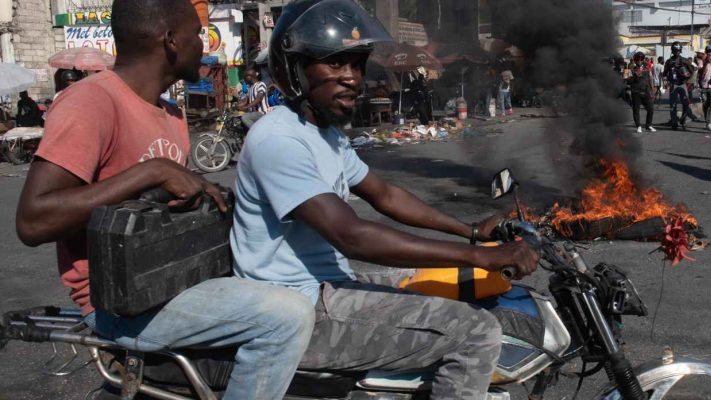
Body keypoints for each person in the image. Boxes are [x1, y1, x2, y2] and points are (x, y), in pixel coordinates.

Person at [14, 1, 315, 399]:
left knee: (301, 283)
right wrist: (150, 171)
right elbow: (33, 221)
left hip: (173, 281)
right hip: (118, 304)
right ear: (171, 41)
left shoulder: (171, 113)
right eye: (196, 36)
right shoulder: (92, 101)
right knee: (286, 317)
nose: (204, 48)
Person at [242, 1, 540, 399]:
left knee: (457, 286)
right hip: (299, 311)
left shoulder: (325, 135)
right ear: (294, 69)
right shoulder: (279, 140)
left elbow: (386, 195)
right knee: (477, 332)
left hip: (330, 286)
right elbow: (352, 235)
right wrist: (481, 255)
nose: (352, 78)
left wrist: (470, 232)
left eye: (357, 64)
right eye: (335, 64)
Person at [663, 41, 697, 130]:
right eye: (674, 51)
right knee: (673, 105)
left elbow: (692, 71)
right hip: (673, 85)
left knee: (686, 104)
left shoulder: (684, 60)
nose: (676, 52)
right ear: (672, 51)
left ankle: (683, 121)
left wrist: (687, 77)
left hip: (682, 84)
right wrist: (666, 80)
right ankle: (674, 122)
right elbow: (664, 73)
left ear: (680, 51)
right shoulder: (669, 61)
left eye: (678, 51)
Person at [628, 52, 656, 133]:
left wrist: (652, 90)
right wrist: (635, 76)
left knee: (650, 109)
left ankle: (648, 125)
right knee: (636, 110)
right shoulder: (631, 69)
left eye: (641, 59)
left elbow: (650, 79)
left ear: (643, 59)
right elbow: (627, 80)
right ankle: (638, 126)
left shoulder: (647, 68)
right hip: (635, 92)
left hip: (646, 91)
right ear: (635, 60)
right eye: (637, 59)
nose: (639, 61)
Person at [699, 48, 711, 131]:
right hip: (704, 86)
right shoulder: (702, 61)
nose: (710, 56)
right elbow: (700, 72)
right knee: (705, 105)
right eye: (709, 54)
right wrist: (706, 62)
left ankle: (709, 123)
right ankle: (706, 119)